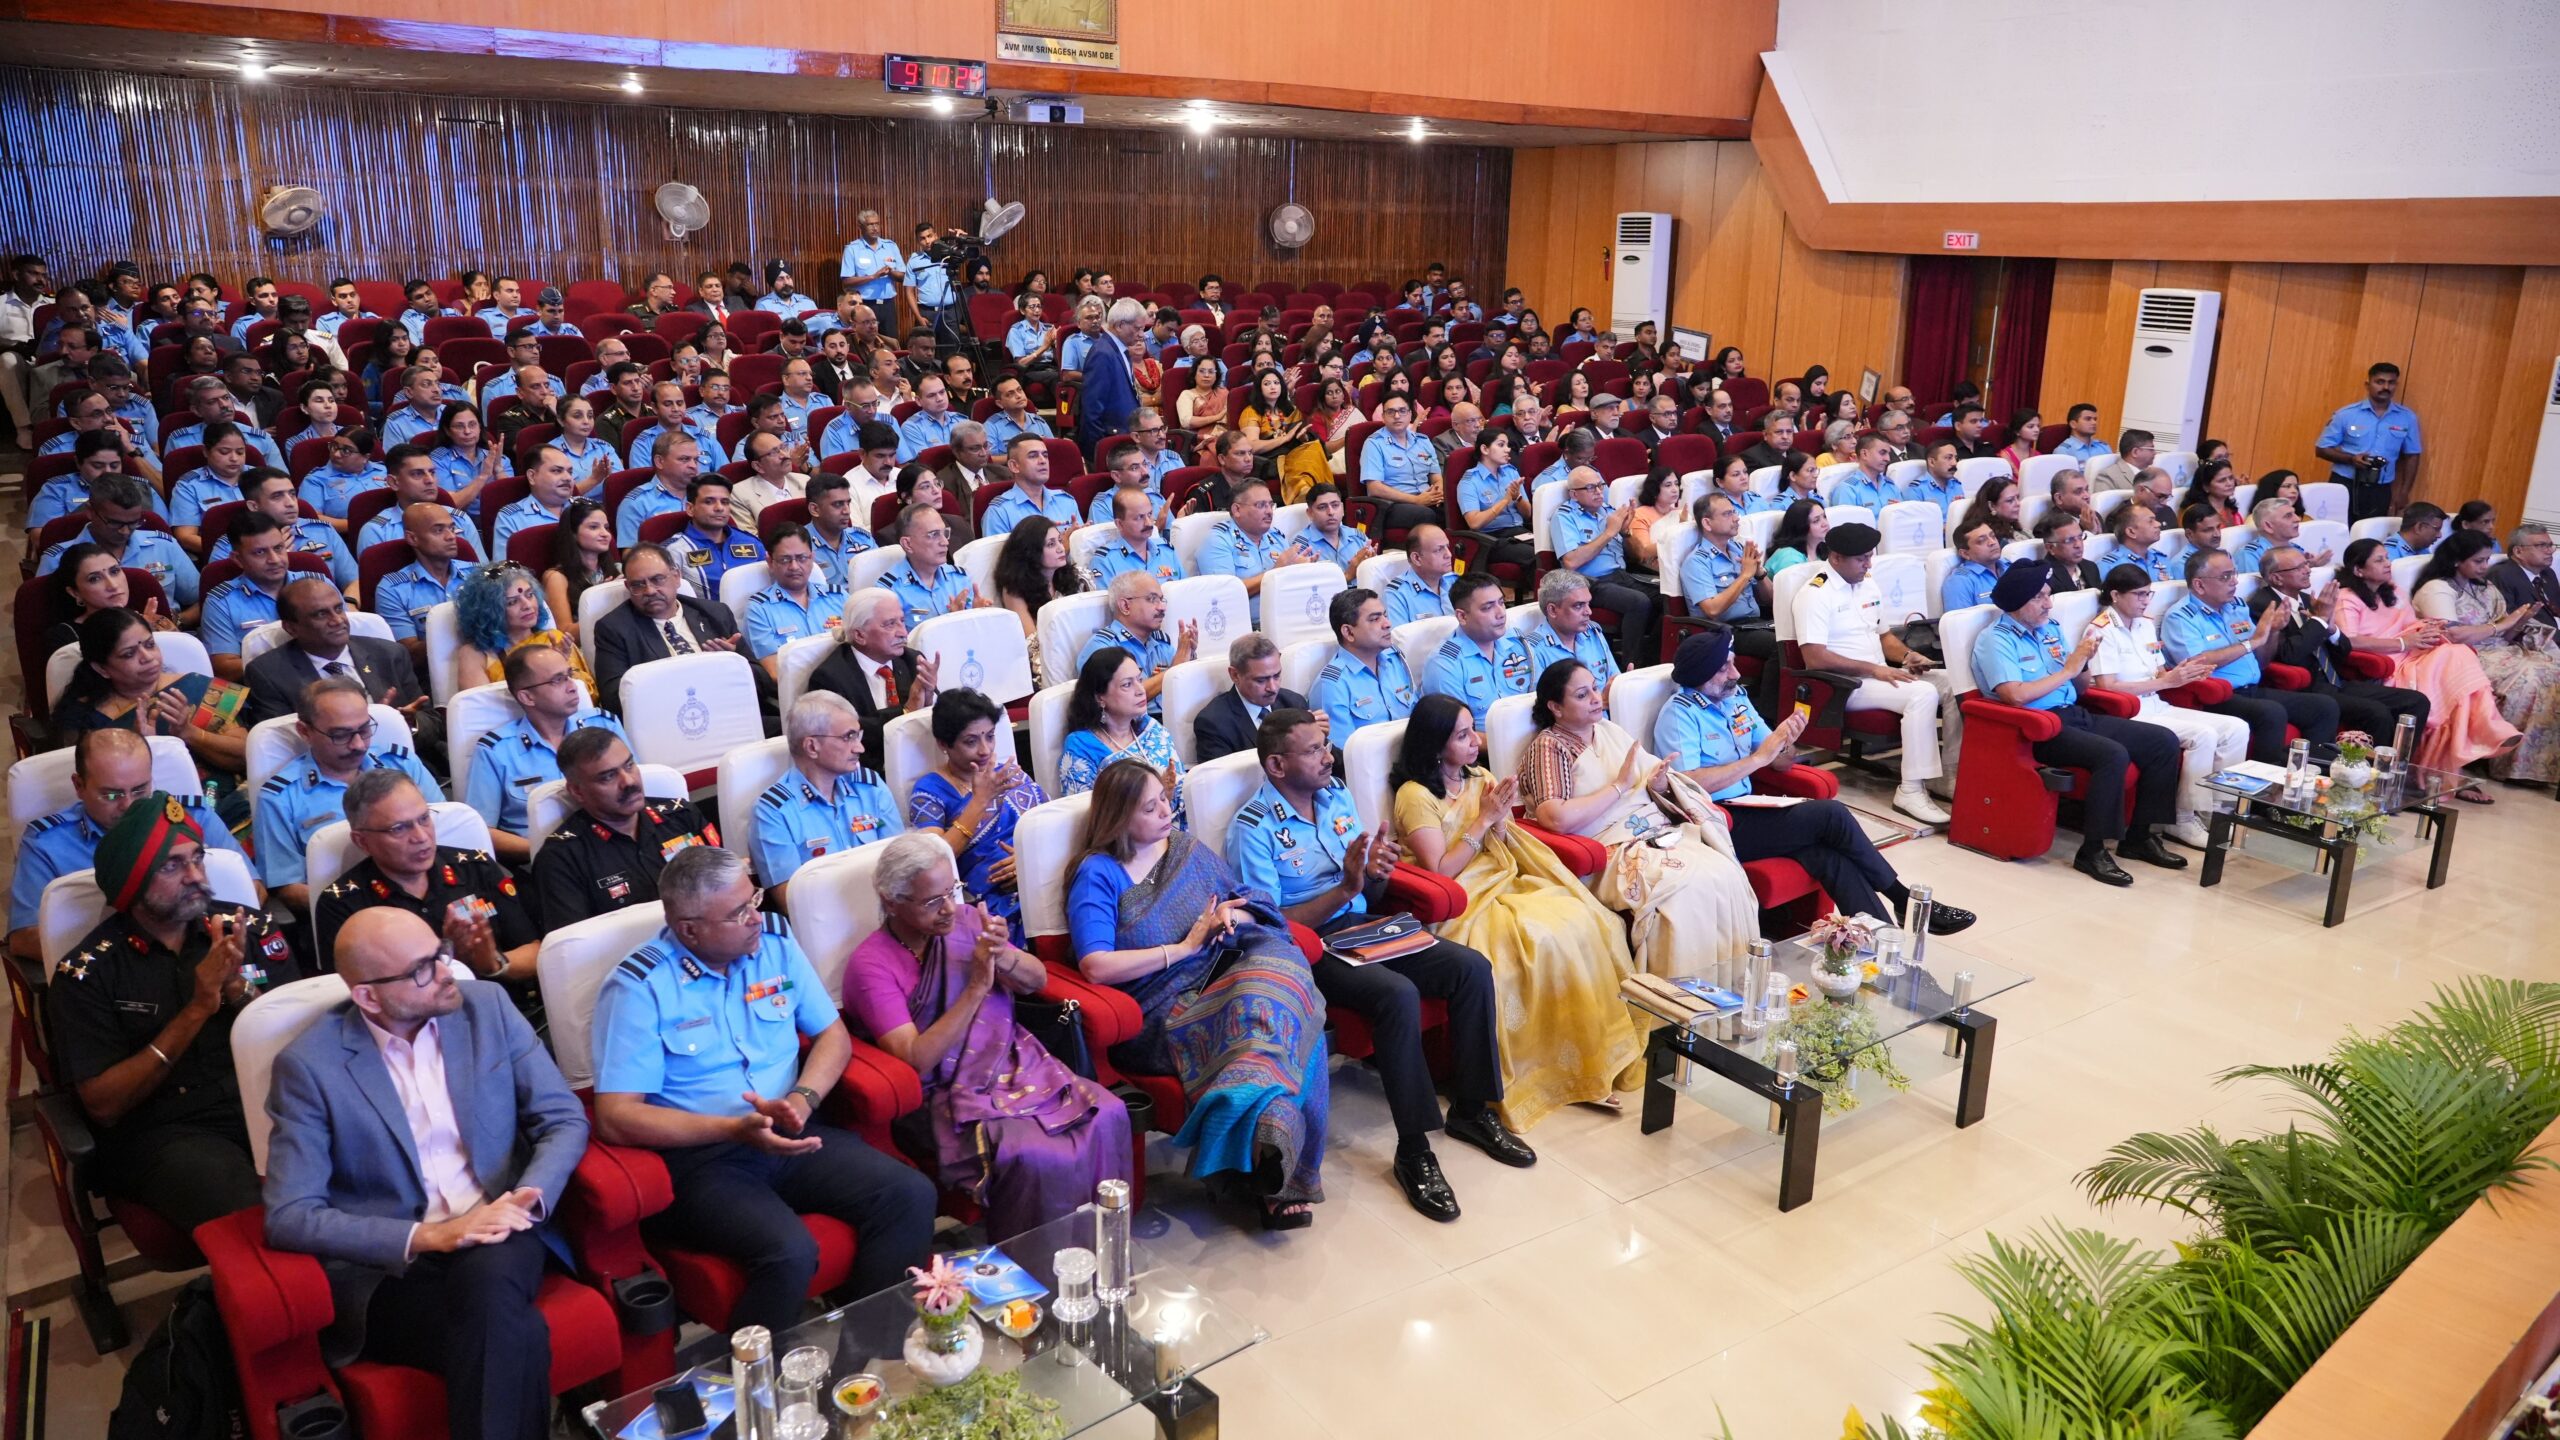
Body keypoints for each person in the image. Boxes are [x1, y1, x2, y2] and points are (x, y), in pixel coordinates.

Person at [263, 905, 584, 1440]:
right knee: (509, 1333)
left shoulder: (487, 1007)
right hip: (394, 1268)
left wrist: (528, 1196)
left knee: (492, 1294)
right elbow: (290, 1215)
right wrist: (431, 1236)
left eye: (441, 952)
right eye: (421, 969)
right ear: (367, 995)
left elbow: (563, 1118)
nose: (445, 971)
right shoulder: (309, 1066)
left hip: (500, 1223)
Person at [592, 845, 937, 1334]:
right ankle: (751, 1394)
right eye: (738, 913)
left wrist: (803, 1098)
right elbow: (615, 1115)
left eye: (753, 900)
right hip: (705, 1161)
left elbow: (831, 1037)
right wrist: (733, 1128)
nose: (756, 917)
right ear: (690, 930)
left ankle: (868, 1354)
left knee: (909, 1193)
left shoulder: (774, 942)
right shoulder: (638, 987)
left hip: (791, 1130)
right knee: (791, 1252)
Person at [1230, 708, 1531, 1219]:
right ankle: (1414, 1151)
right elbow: (1272, 921)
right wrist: (1347, 887)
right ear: (1277, 766)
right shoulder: (1253, 827)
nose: (1328, 756)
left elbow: (1367, 885)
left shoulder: (1337, 797)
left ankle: (1471, 1110)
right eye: (1313, 750)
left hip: (1366, 926)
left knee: (1470, 968)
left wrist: (1374, 873)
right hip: (1311, 947)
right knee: (1398, 995)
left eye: (1326, 746)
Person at [1068, 760, 1328, 1229]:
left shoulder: (1184, 848)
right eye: (1150, 808)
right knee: (1259, 1017)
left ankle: (1265, 1159)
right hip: (1162, 1005)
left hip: (1226, 965)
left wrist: (1232, 917)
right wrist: (1182, 947)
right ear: (1120, 818)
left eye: (1165, 800)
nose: (1166, 811)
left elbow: (1251, 902)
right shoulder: (1099, 873)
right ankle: (1271, 1174)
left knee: (1279, 989)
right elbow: (1096, 965)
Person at [844, 831, 1128, 1236]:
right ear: (892, 902)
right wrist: (977, 986)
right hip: (943, 1093)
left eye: (952, 892)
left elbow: (1037, 980)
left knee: (1108, 1113)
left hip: (1014, 1062)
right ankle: (1036, 1269)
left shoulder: (967, 922)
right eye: (932, 901)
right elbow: (915, 1059)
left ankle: (1104, 1253)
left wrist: (1004, 954)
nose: (948, 909)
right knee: (1035, 1153)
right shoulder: (871, 965)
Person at [1390, 693, 1645, 1127]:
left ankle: (1589, 1060)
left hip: (1502, 878)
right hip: (1461, 901)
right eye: (1462, 735)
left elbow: (1505, 840)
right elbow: (1439, 872)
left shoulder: (1478, 777)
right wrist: (1484, 820)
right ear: (1435, 745)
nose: (1475, 742)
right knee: (1531, 943)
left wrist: (1502, 818)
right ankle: (1537, 1076)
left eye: (1473, 730)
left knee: (1584, 920)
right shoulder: (1416, 796)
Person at [49, 795, 282, 1234]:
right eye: (172, 866)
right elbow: (104, 1105)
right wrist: (197, 1008)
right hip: (168, 1131)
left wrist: (237, 990)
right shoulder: (87, 975)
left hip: (266, 1099)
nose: (196, 877)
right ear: (133, 884)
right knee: (259, 1223)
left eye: (197, 859)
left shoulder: (247, 929)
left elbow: (297, 1032)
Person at [1656, 628, 1979, 926]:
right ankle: (1903, 899)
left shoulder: (1735, 699)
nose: (1736, 674)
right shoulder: (1679, 713)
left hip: (1751, 806)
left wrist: (1786, 741)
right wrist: (1758, 758)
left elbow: (1781, 763)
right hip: (1714, 821)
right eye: (1724, 668)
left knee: (1830, 858)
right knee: (1831, 815)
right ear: (1700, 676)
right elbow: (1687, 784)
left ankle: (1879, 941)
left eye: (1733, 664)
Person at [1518, 660, 1761, 976]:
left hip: (1654, 832)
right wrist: (1618, 787)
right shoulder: (1550, 747)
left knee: (1724, 873)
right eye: (1582, 694)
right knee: (1681, 890)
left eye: (1594, 687)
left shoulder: (1608, 730)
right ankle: (1678, 1005)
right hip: (1607, 849)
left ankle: (1733, 986)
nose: (1595, 697)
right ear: (1556, 707)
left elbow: (1642, 781)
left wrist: (1657, 782)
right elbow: (1555, 819)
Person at [1971, 563, 2189, 885]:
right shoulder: (1996, 639)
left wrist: (2085, 661)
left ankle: (2140, 836)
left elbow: (2080, 685)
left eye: (2048, 596)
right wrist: (2069, 669)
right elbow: (2014, 696)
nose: (2048, 604)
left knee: (2162, 741)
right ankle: (2093, 850)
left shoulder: (2050, 628)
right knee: (2112, 754)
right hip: (2035, 727)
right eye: (2040, 598)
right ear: (2018, 603)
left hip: (2073, 712)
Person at [8, 732, 240, 966]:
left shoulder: (194, 817)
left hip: (208, 954)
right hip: (109, 976)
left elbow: (251, 889)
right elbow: (24, 937)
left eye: (140, 790)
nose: (129, 806)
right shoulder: (47, 844)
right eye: (111, 794)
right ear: (79, 785)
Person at [1789, 522, 1953, 823]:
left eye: (1870, 555)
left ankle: (1948, 775)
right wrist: (1874, 669)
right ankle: (1911, 790)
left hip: (1878, 675)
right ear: (1836, 558)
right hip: (1845, 685)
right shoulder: (1815, 594)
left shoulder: (1868, 583)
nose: (1869, 563)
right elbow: (1814, 657)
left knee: (1951, 684)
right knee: (1922, 693)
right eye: (1861, 558)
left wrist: (1907, 655)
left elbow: (1884, 636)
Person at [2082, 565, 2254, 847]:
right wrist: (2167, 682)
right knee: (2203, 735)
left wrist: (2183, 672)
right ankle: (2181, 819)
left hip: (2157, 703)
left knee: (2235, 727)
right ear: (2115, 595)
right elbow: (2107, 687)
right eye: (2139, 595)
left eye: (2148, 594)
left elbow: (2160, 671)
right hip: (2130, 712)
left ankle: (2218, 809)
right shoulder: (2101, 630)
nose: (2146, 601)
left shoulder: (2145, 624)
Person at [310, 770, 538, 982]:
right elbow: (354, 993)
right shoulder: (344, 905)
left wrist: (492, 963)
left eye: (424, 819)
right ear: (362, 841)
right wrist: (448, 955)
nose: (421, 837)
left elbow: (533, 950)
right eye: (399, 828)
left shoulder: (475, 867)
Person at [2323, 538, 2517, 781]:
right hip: (2388, 661)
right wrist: (2404, 643)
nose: (2388, 563)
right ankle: (2476, 735)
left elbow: (2410, 625)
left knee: (2457, 654)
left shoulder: (2393, 591)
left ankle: (2476, 735)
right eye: (2379, 559)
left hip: (2412, 652)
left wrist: (2428, 629)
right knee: (2452, 661)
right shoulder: (2347, 598)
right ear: (2358, 569)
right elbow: (2349, 640)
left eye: (2387, 557)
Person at [252, 673, 445, 911]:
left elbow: (445, 833)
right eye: (340, 735)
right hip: (349, 913)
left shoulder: (401, 762)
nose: (358, 745)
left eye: (364, 730)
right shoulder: (279, 797)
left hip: (431, 895)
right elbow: (288, 888)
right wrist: (364, 905)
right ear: (304, 731)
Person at [2161, 548, 2340, 763]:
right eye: (2225, 577)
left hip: (2253, 689)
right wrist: (2252, 641)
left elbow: (2262, 661)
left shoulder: (2237, 607)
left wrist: (2272, 632)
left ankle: (2312, 774)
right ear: (2199, 585)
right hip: (2216, 696)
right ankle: (2263, 786)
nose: (2234, 582)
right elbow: (2197, 662)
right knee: (2271, 713)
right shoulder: (2181, 617)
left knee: (2324, 707)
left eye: (2234, 574)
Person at [2411, 530, 2560, 787]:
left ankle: (2536, 767)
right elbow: (2451, 635)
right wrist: (2502, 626)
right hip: (2462, 658)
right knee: (2531, 679)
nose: (2485, 567)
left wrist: (2520, 621)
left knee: (2553, 670)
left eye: (2487, 560)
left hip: (2499, 650)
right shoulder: (2437, 589)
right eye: (2478, 561)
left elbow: (2507, 631)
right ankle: (2506, 763)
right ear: (2458, 560)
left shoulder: (2485, 587)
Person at [531, 729, 721, 926]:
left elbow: (725, 887)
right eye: (608, 777)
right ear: (578, 791)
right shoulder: (562, 858)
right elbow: (575, 947)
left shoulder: (682, 815)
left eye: (629, 766)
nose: (629, 781)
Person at [463, 644, 630, 862]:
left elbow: (638, 788)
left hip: (616, 844)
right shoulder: (495, 751)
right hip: (543, 860)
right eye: (557, 680)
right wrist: (548, 851)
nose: (573, 687)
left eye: (570, 675)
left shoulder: (603, 725)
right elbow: (482, 831)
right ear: (527, 697)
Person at [54, 608, 251, 792]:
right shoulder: (83, 717)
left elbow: (247, 756)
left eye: (150, 645)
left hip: (225, 804)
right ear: (102, 669)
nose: (147, 657)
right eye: (129, 654)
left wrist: (189, 733)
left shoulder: (197, 687)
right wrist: (144, 748)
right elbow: (93, 791)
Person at [2249, 545, 2431, 741]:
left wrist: (2331, 628)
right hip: (2306, 689)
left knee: (2417, 702)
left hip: (2336, 680)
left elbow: (2343, 651)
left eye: (2306, 564)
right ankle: (2372, 770)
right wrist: (2318, 620)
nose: (2308, 570)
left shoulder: (2306, 599)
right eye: (2299, 567)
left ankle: (2398, 765)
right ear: (2277, 578)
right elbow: (2289, 655)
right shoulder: (2264, 605)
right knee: (2377, 713)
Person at [750, 692, 901, 902]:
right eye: (848, 737)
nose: (860, 747)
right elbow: (792, 902)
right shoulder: (773, 812)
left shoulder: (870, 787)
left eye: (859, 735)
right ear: (812, 746)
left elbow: (903, 863)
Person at [591, 543, 755, 715]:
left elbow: (762, 681)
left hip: (731, 710)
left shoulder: (715, 613)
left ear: (676, 577)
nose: (650, 590)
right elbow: (613, 700)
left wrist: (733, 663)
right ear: (628, 587)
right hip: (666, 720)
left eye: (657, 579)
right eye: (638, 585)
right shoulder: (614, 629)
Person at [1550, 465, 1657, 667]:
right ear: (1574, 494)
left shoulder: (1608, 511)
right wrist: (1609, 532)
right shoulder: (1564, 517)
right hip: (1589, 583)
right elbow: (1571, 562)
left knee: (1665, 596)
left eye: (1600, 485)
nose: (1599, 492)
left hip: (1622, 574)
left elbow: (1638, 556)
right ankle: (1631, 666)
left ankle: (1653, 658)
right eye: (1590, 488)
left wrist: (1625, 533)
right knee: (1638, 601)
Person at [454, 563, 593, 702]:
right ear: (490, 612)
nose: (527, 605)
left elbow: (589, 697)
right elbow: (481, 713)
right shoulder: (475, 654)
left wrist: (562, 668)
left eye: (530, 595)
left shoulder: (554, 639)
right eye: (512, 602)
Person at [1058, 647, 1184, 800]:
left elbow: (1181, 783)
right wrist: (1160, 797)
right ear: (1100, 698)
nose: (1140, 690)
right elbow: (1085, 814)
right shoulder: (1082, 746)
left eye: (1139, 680)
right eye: (1127, 685)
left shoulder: (1152, 728)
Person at [2317, 361, 2422, 522]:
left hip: (2380, 489)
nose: (2385, 387)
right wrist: (2351, 459)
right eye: (2380, 382)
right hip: (2345, 484)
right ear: (2368, 384)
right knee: (2337, 531)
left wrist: (2404, 492)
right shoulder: (2346, 414)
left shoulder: (2407, 417)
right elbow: (2321, 449)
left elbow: (2412, 455)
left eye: (2391, 382)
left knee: (2370, 536)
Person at [1311, 586, 1418, 739]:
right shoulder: (1332, 684)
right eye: (1375, 619)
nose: (1387, 624)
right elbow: (1344, 753)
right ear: (1348, 632)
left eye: (1385, 615)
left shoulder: (1395, 659)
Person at [539, 498, 620, 637]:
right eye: (594, 527)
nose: (605, 534)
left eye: (606, 527)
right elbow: (565, 634)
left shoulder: (618, 569)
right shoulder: (557, 578)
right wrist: (603, 604)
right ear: (573, 533)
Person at [2490, 524, 2560, 618]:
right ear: (2518, 551)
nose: (2550, 551)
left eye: (2550, 545)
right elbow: (2506, 619)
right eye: (2541, 545)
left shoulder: (2548, 573)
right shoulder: (2502, 575)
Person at [1940, 518, 2008, 612]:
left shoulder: (2009, 566)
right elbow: (1960, 624)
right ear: (1965, 554)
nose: (1992, 542)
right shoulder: (1960, 581)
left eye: (1993, 536)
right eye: (1981, 541)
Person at [2091, 429, 2155, 493]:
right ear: (2135, 452)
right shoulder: (2108, 476)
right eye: (2151, 449)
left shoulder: (2152, 474)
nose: (2155, 453)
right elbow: (2104, 502)